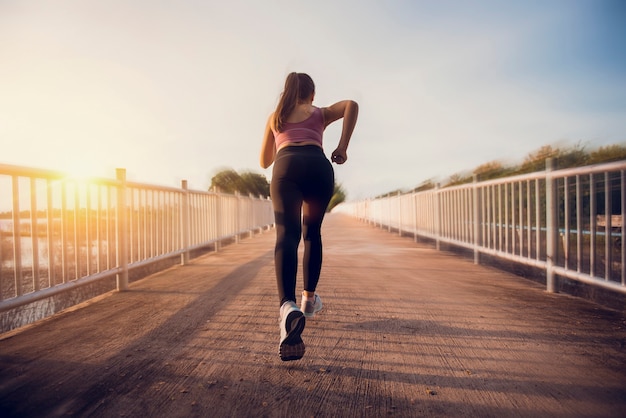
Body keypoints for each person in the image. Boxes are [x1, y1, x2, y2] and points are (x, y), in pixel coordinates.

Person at [260, 72, 359, 361]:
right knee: (311, 234)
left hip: (286, 167)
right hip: (318, 167)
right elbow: (351, 104)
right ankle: (308, 300)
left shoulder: (275, 117)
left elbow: (265, 161)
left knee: (287, 237)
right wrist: (342, 147)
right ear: (312, 94)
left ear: (287, 92)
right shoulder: (319, 113)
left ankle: (287, 307)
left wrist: (279, 136)